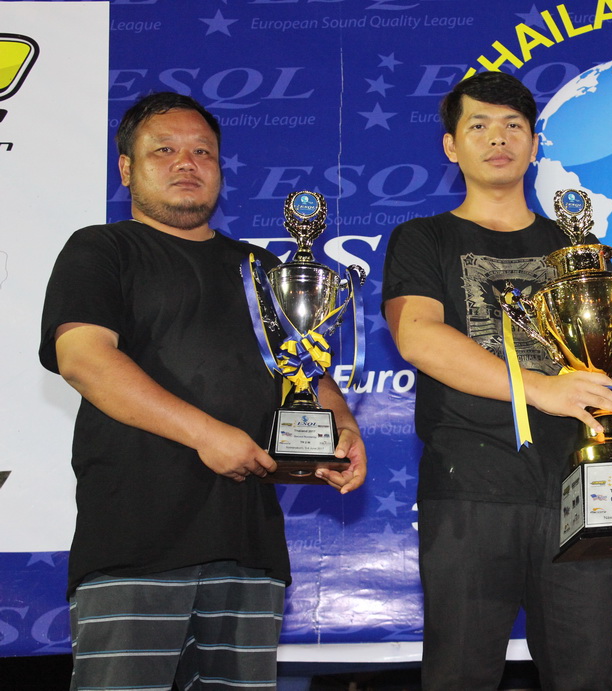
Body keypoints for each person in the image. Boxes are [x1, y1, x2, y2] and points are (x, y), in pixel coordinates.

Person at [39, 92, 367, 690]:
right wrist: (207, 435)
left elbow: (305, 366)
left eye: (202, 152)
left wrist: (340, 423)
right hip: (135, 543)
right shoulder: (101, 249)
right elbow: (84, 359)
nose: (186, 163)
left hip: (249, 546)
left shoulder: (263, 269)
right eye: (163, 150)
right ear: (126, 168)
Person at [382, 71, 612, 690]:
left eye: (513, 126)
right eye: (478, 125)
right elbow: (418, 336)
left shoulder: (577, 247)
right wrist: (541, 388)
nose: (497, 138)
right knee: (459, 676)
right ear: (451, 145)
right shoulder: (423, 238)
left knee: (585, 678)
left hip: (582, 494)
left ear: (535, 145)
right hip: (472, 490)